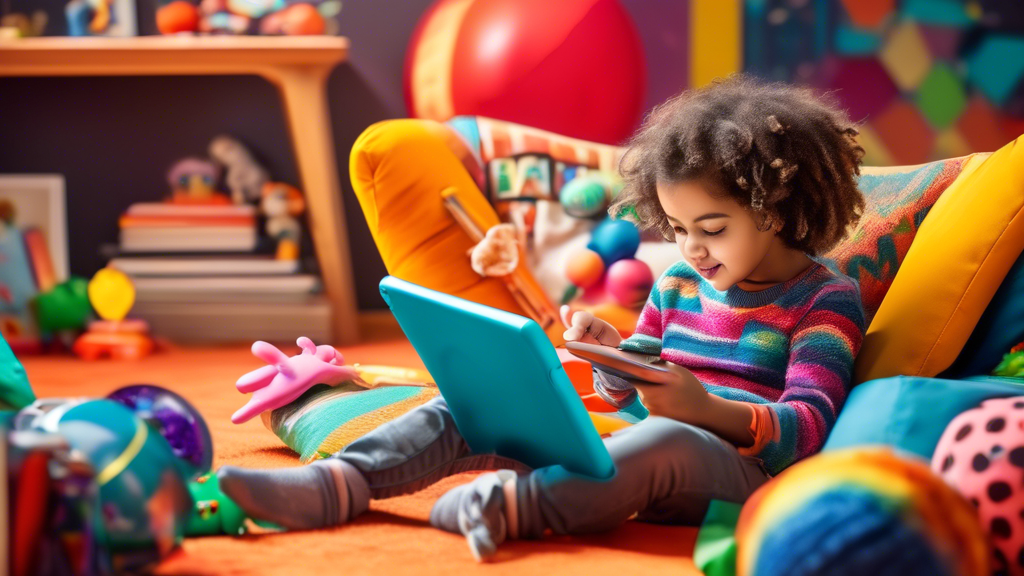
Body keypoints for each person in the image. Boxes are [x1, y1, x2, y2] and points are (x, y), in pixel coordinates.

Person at [216, 74, 868, 561]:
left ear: (775, 211)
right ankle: (340, 483)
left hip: (735, 469)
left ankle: (513, 508)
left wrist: (705, 411)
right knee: (479, 402)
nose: (692, 248)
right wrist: (612, 354)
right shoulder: (677, 281)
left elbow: (807, 430)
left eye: (713, 228)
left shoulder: (824, 299)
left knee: (662, 443)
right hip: (630, 442)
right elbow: (630, 385)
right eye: (676, 229)